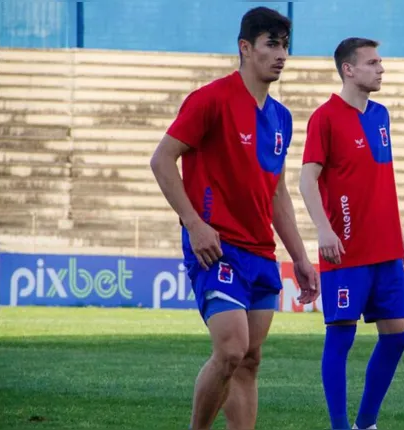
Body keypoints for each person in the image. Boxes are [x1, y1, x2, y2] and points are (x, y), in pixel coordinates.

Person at [149, 7, 319, 430]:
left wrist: (300, 256)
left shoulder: (281, 118)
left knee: (248, 361)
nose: (281, 55)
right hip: (217, 248)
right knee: (230, 350)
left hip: (261, 252)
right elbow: (162, 159)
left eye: (285, 46)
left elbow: (277, 192)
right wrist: (193, 222)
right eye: (271, 45)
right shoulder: (211, 99)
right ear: (245, 48)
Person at [299, 37, 404, 430]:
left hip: (385, 249)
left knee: (398, 337)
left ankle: (366, 424)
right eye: (373, 62)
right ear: (349, 69)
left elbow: (382, 180)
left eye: (380, 62)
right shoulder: (325, 117)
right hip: (345, 250)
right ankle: (339, 426)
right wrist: (324, 229)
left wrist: (401, 237)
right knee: (341, 339)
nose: (381, 69)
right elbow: (306, 179)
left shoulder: (381, 115)